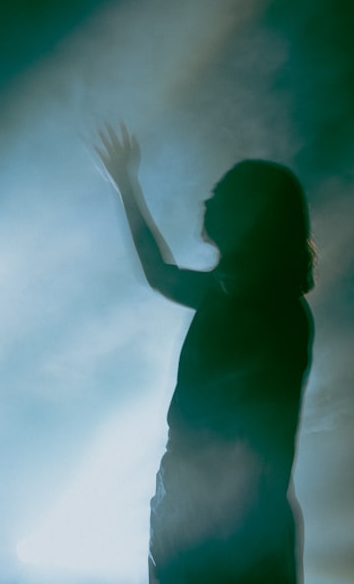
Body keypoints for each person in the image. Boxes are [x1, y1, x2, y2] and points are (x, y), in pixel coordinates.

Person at [96, 122, 315, 584]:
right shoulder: (230, 294)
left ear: (251, 218)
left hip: (229, 528)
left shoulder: (271, 312)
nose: (207, 202)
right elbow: (159, 273)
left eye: (222, 195)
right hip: (197, 513)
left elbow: (252, 439)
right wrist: (125, 184)